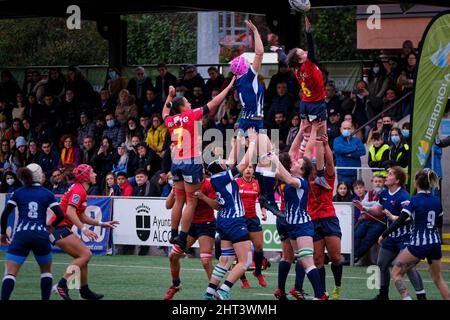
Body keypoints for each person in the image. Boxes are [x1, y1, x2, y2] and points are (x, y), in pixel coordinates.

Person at [162, 74, 236, 253]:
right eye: (187, 102)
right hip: (191, 162)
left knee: (179, 199)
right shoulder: (190, 115)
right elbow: (214, 103)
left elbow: (165, 112)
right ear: (182, 107)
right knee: (191, 201)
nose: (189, 103)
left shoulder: (171, 120)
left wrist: (170, 96)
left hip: (176, 162)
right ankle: (182, 237)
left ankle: (173, 233)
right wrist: (228, 87)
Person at [229, 19, 282, 217]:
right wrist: (254, 31)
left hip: (252, 120)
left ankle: (265, 197)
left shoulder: (241, 81)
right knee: (264, 158)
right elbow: (259, 52)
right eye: (248, 62)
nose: (252, 63)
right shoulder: (248, 77)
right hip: (251, 122)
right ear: (245, 67)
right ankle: (266, 197)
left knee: (266, 158)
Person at [354, 166, 427, 300]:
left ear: (397, 180)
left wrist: (392, 219)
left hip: (404, 237)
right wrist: (365, 208)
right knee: (381, 263)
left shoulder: (404, 196)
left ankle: (421, 295)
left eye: (390, 174)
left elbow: (408, 218)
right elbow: (380, 209)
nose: (386, 176)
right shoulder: (385, 193)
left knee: (408, 267)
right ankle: (383, 295)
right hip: (391, 236)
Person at [202, 128, 257, 300]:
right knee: (245, 261)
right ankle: (223, 291)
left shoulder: (218, 177)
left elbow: (232, 162)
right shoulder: (223, 177)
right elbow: (241, 164)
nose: (224, 161)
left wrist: (238, 141)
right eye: (221, 160)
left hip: (224, 221)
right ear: (219, 167)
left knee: (225, 260)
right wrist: (253, 142)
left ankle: (210, 292)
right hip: (235, 222)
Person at [379, 169, 449, 300]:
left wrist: (384, 234)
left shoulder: (414, 201)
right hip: (434, 243)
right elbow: (438, 224)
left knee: (396, 273)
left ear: (416, 183)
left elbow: (400, 220)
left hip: (419, 243)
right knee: (438, 279)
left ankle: (407, 298)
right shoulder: (436, 201)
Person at [51, 164, 118, 300]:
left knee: (83, 258)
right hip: (58, 228)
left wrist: (101, 224)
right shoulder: (79, 190)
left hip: (58, 228)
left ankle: (84, 291)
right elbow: (70, 212)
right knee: (85, 254)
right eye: (92, 172)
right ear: (85, 177)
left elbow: (81, 215)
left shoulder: (80, 189)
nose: (95, 175)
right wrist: (84, 230)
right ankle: (62, 285)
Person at [267, 152, 327, 300]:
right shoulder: (291, 179)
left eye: (297, 163)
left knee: (307, 262)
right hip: (291, 226)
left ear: (302, 170)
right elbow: (274, 174)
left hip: (302, 226)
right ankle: (317, 294)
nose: (293, 163)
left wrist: (275, 159)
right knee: (300, 259)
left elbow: (286, 177)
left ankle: (320, 296)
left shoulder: (300, 181)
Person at [0, 164, 65, 300]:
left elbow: (4, 215)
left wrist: (2, 233)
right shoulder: (47, 193)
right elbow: (60, 215)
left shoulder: (18, 192)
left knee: (10, 273)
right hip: (41, 235)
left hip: (22, 235)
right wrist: (51, 226)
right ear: (40, 176)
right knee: (46, 272)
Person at [286, 16, 330, 190]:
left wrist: (280, 52)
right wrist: (308, 31)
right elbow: (311, 49)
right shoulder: (307, 65)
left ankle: (304, 164)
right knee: (319, 140)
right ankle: (316, 173)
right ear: (301, 59)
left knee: (308, 137)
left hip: (305, 103)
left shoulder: (296, 68)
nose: (305, 52)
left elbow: (287, 57)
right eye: (301, 52)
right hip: (316, 104)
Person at [164, 177, 218, 300]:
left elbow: (217, 206)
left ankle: (217, 292)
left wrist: (203, 197)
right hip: (189, 226)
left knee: (205, 261)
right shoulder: (183, 184)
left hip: (206, 225)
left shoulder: (209, 184)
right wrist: (173, 192)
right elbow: (168, 205)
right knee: (173, 256)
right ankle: (176, 285)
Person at [236, 164, 268, 288]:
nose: (248, 169)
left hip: (253, 218)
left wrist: (264, 211)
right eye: (246, 167)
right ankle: (243, 278)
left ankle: (258, 272)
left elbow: (262, 199)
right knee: (241, 251)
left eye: (250, 167)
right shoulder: (236, 183)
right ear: (241, 170)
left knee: (259, 247)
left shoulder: (256, 183)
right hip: (239, 220)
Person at [353, 174, 386, 264]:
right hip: (366, 220)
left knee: (367, 240)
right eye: (376, 181)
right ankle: (352, 256)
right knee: (356, 235)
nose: (378, 184)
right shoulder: (370, 193)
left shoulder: (386, 193)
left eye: (380, 181)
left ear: (384, 183)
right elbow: (363, 203)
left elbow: (376, 206)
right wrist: (373, 203)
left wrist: (368, 204)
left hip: (379, 222)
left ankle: (355, 257)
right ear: (372, 183)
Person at [333, 120, 366, 186]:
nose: (346, 130)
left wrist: (351, 154)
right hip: (343, 174)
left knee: (357, 194)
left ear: (352, 129)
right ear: (340, 129)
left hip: (356, 173)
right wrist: (354, 148)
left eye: (348, 128)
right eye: (344, 128)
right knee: (344, 194)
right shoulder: (337, 140)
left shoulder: (357, 140)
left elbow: (362, 151)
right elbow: (339, 149)